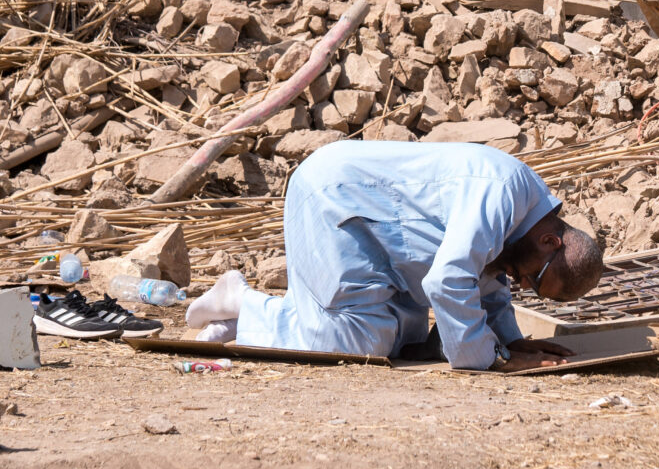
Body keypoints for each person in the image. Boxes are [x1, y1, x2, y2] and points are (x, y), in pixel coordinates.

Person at [183, 140, 604, 370]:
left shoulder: (522, 224)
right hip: (337, 200)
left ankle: (244, 320)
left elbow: (486, 277)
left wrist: (513, 341)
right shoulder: (503, 193)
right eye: (536, 277)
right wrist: (496, 358)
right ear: (551, 242)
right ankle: (243, 301)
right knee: (360, 342)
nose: (523, 284)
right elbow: (449, 280)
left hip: (374, 232)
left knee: (406, 339)